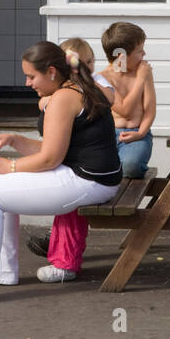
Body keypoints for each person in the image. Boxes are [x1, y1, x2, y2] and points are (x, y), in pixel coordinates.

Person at [0, 41, 121, 305]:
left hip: (88, 183)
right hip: (92, 178)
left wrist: (9, 166)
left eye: (31, 76)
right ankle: (2, 272)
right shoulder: (74, 88)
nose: (27, 83)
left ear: (52, 72)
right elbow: (55, 148)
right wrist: (14, 140)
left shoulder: (64, 97)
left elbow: (50, 158)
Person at [25, 37, 125, 283]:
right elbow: (43, 104)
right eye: (82, 63)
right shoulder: (62, 91)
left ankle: (64, 261)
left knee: (69, 202)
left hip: (89, 171)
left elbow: (110, 98)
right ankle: (61, 252)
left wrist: (78, 77)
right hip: (82, 164)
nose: (88, 67)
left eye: (90, 61)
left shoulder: (89, 85)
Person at [98, 21, 156, 179]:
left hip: (137, 132)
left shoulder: (143, 72)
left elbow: (150, 109)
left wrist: (142, 133)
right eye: (140, 51)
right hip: (108, 135)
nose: (144, 54)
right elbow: (124, 109)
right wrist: (140, 80)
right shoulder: (102, 79)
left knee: (131, 166)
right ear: (121, 56)